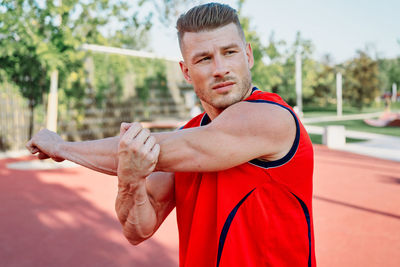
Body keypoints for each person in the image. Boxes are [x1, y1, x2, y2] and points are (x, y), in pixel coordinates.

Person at [27, 3, 316, 267]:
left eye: (229, 52)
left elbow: (154, 150)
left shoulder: (270, 116)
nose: (220, 69)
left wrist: (60, 147)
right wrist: (131, 179)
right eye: (204, 59)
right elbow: (137, 230)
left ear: (248, 55)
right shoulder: (188, 135)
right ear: (186, 72)